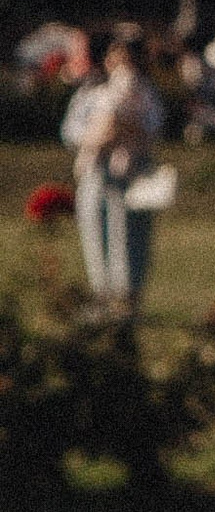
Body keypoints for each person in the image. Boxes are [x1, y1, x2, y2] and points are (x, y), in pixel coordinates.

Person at [60, 24, 166, 308]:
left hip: (131, 171)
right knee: (96, 234)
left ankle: (127, 298)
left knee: (130, 238)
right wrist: (101, 135)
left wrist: (117, 128)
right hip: (97, 172)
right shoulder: (94, 90)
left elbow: (149, 128)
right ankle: (103, 295)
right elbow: (73, 131)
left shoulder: (143, 90)